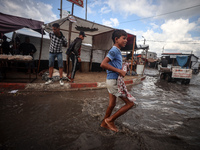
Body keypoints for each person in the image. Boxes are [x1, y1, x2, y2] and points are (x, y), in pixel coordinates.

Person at [100, 29, 135, 132]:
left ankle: (103, 123)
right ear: (116, 39)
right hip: (113, 81)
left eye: (126, 39)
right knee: (130, 104)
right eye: (124, 38)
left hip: (111, 80)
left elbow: (112, 64)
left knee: (112, 104)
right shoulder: (114, 50)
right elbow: (103, 64)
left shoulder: (117, 51)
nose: (126, 41)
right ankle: (110, 120)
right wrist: (119, 71)